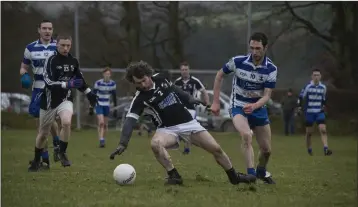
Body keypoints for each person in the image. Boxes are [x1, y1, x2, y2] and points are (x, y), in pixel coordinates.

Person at [109, 60, 256, 185]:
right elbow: (129, 120)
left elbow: (176, 90)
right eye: (138, 83)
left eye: (144, 80)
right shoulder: (139, 98)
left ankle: (234, 177)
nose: (143, 84)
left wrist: (191, 100)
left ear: (148, 75)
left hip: (188, 123)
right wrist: (123, 143)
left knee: (216, 149)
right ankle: (174, 175)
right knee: (155, 144)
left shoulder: (160, 78)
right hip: (167, 129)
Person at [211, 32, 277, 184]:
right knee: (246, 135)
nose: (254, 52)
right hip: (238, 107)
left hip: (258, 108)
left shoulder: (271, 69)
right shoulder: (238, 61)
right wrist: (215, 102)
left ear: (265, 48)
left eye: (258, 48)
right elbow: (219, 75)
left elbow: (267, 96)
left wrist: (254, 106)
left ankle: (261, 172)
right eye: (252, 48)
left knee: (266, 151)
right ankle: (251, 175)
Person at [28, 34, 98, 171]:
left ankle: (62, 152)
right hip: (48, 101)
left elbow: (80, 80)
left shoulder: (73, 61)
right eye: (63, 45)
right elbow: (48, 82)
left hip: (65, 99)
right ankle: (36, 160)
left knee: (66, 122)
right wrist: (67, 84)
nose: (65, 48)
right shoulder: (51, 60)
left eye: (68, 45)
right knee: (43, 134)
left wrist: (89, 92)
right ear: (57, 45)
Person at [20, 20, 60, 167]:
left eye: (49, 28)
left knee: (47, 122)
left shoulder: (58, 47)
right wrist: (23, 76)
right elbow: (23, 67)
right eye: (44, 28)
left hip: (53, 89)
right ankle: (45, 158)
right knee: (40, 125)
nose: (47, 31)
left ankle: (54, 144)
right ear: (39, 30)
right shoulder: (30, 48)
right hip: (37, 90)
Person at [174, 61, 210, 154]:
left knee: (188, 128)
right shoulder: (177, 82)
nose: (184, 71)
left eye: (186, 69)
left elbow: (204, 91)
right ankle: (177, 142)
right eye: (182, 70)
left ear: (188, 70)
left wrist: (207, 102)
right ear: (180, 71)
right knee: (178, 127)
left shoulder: (195, 81)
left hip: (191, 108)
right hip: (179, 108)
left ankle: (187, 149)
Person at [297, 68, 332, 156]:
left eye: (318, 75)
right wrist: (299, 107)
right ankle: (309, 149)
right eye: (314, 75)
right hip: (310, 112)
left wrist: (325, 107)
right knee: (309, 133)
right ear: (312, 76)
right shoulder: (307, 87)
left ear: (320, 77)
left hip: (319, 112)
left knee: (323, 130)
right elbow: (301, 97)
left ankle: (326, 149)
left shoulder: (323, 87)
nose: (316, 77)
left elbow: (323, 99)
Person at [90, 67, 117, 148]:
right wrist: (91, 107)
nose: (107, 75)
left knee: (105, 124)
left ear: (110, 75)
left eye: (109, 74)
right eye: (106, 74)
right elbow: (93, 95)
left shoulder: (112, 84)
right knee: (101, 123)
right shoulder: (98, 83)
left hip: (107, 105)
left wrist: (115, 109)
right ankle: (101, 139)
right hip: (99, 104)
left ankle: (103, 139)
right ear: (103, 74)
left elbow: (114, 96)